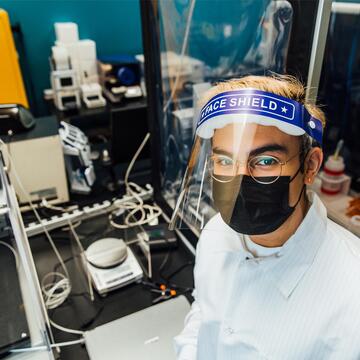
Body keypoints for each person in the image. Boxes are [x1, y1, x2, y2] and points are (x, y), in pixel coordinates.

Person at [170, 75, 360, 359]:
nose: (240, 178)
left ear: (310, 165)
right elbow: (204, 313)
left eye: (266, 161)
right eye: (224, 160)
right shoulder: (215, 234)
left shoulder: (351, 297)